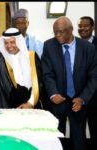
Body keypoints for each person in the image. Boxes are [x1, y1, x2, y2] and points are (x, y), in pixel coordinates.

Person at [41, 16, 97, 150]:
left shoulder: (88, 48)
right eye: (55, 32)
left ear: (71, 30)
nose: (57, 35)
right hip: (57, 101)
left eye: (61, 32)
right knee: (56, 141)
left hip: (79, 101)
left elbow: (94, 77)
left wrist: (83, 99)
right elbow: (47, 74)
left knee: (79, 140)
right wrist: (53, 93)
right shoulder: (49, 45)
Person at [0, 28, 42, 109]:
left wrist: (30, 103)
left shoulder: (32, 57)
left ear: (19, 41)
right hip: (7, 104)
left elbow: (38, 82)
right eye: (6, 43)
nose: (9, 46)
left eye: (12, 42)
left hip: (30, 103)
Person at [78, 16, 97, 149]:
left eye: (86, 25)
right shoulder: (75, 44)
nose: (82, 28)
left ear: (92, 27)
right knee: (78, 133)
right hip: (78, 97)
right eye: (80, 26)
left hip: (96, 96)